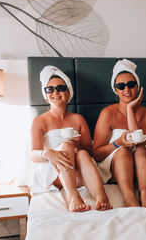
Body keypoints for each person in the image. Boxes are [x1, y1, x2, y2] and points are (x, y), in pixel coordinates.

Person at [31, 66, 112, 212]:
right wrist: (48, 153)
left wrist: (79, 144)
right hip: (54, 171)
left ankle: (101, 196)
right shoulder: (39, 121)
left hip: (79, 170)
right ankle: (73, 196)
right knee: (66, 146)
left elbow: (90, 151)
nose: (55, 92)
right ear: (46, 94)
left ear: (68, 93)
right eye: (50, 89)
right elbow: (33, 155)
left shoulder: (78, 120)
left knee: (81, 153)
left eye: (60, 88)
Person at [93, 59, 146, 208]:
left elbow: (140, 141)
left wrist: (130, 110)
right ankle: (129, 197)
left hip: (143, 165)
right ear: (115, 90)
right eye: (121, 86)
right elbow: (96, 153)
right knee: (123, 152)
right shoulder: (107, 113)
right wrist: (118, 143)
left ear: (137, 87)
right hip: (118, 166)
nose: (126, 89)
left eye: (131, 84)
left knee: (141, 149)